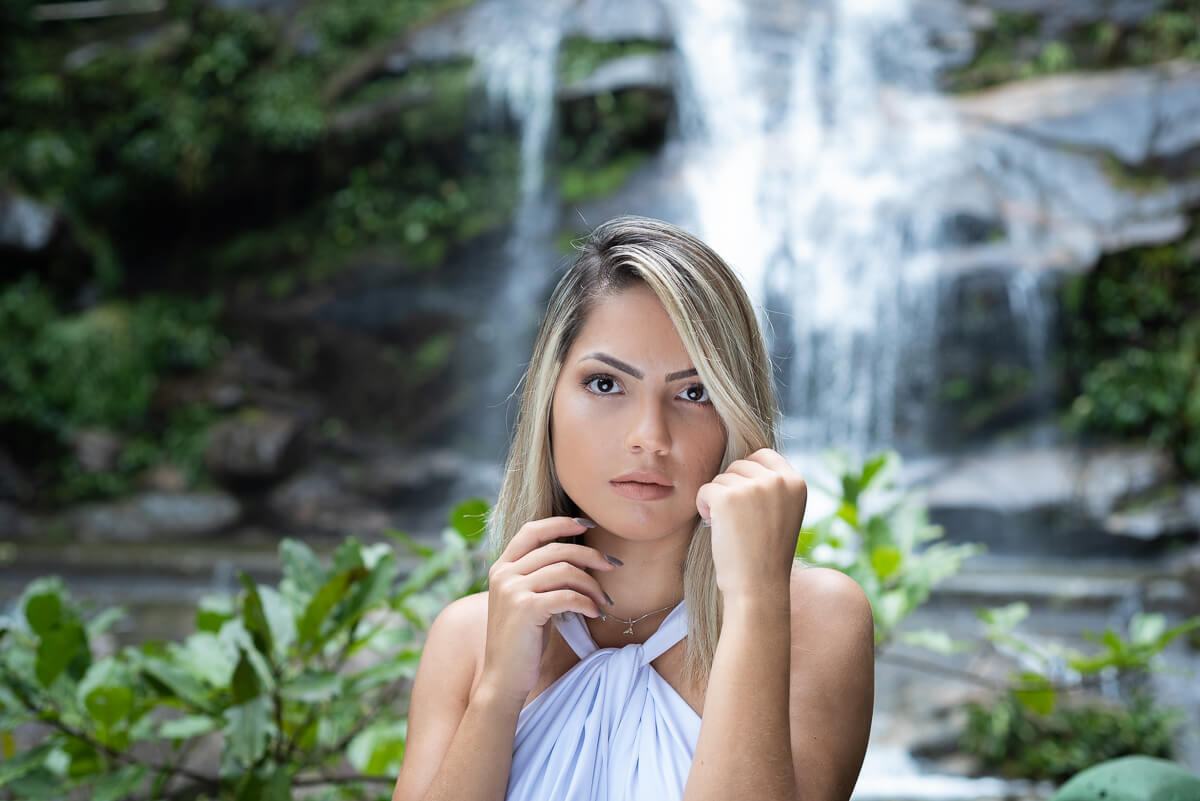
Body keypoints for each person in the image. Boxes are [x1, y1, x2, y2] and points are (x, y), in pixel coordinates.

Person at [391, 216, 875, 801]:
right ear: (548, 399)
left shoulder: (814, 620)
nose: (649, 436)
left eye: (694, 393)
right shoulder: (468, 636)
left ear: (734, 412)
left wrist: (753, 602)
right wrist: (496, 692)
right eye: (604, 384)